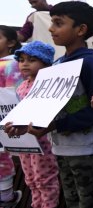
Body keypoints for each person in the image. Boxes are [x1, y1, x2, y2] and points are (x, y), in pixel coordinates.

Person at [6, 1, 93, 208]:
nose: (50, 28)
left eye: (58, 23)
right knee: (73, 201)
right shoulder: (58, 65)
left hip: (87, 151)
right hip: (62, 149)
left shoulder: (90, 62)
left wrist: (56, 125)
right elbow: (44, 108)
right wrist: (22, 125)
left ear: (80, 30)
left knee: (90, 202)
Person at [8, 41, 60, 208]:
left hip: (43, 142)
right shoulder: (21, 86)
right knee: (30, 178)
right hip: (24, 143)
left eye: (31, 60)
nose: (24, 64)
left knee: (45, 179)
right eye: (22, 60)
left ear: (45, 63)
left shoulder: (48, 85)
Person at [0, 25, 23, 207]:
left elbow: (14, 96)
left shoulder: (12, 64)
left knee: (2, 156)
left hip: (6, 123)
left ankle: (6, 197)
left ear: (11, 42)